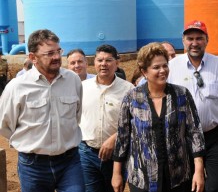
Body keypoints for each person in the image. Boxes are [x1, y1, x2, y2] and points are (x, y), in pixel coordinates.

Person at [112, 42, 205, 192]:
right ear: (144, 72)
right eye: (156, 67)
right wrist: (117, 173)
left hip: (178, 177)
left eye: (165, 66)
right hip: (142, 178)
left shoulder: (182, 95)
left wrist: (199, 171)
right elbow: (122, 138)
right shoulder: (132, 98)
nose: (162, 70)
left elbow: (195, 133)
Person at [0, 29, 85, 192]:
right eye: (50, 53)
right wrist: (30, 142)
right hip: (33, 166)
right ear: (33, 57)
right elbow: (4, 125)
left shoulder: (72, 80)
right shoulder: (17, 86)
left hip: (69, 162)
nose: (57, 57)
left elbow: (77, 115)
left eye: (58, 51)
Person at [168, 20, 218, 192]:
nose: (194, 43)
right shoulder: (172, 67)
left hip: (215, 137)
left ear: (207, 40)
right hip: (184, 138)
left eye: (199, 38)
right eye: (190, 38)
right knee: (189, 184)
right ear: (183, 41)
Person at [79, 44, 134, 192]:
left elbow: (134, 122)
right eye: (100, 60)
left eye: (109, 60)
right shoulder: (82, 87)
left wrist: (114, 138)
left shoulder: (129, 90)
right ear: (94, 63)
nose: (104, 64)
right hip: (87, 153)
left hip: (116, 156)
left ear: (117, 63)